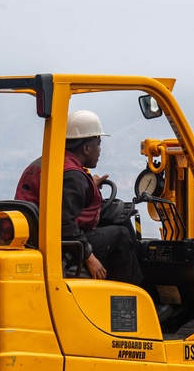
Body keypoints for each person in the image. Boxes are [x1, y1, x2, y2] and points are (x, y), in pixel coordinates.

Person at [15, 110, 144, 286]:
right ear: (86, 148)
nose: (99, 150)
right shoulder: (73, 177)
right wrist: (89, 256)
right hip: (62, 246)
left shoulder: (50, 162)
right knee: (121, 233)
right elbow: (63, 223)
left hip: (36, 237)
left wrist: (90, 183)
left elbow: (57, 194)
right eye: (98, 143)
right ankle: (136, 295)